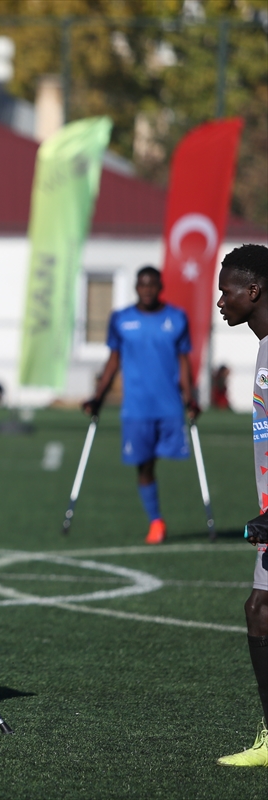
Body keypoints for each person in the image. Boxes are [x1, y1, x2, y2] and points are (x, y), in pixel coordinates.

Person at [83, 266, 197, 545]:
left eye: (152, 285)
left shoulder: (176, 318)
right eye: (142, 285)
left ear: (160, 287)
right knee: (144, 466)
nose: (147, 290)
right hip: (136, 409)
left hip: (169, 406)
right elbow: (113, 361)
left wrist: (190, 397)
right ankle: (156, 521)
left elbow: (183, 361)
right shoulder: (121, 319)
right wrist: (98, 396)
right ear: (136, 287)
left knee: (169, 462)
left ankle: (166, 518)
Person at [213, 243, 268, 767]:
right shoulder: (262, 346)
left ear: (253, 291)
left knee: (261, 611)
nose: (219, 300)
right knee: (259, 610)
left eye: (227, 290)